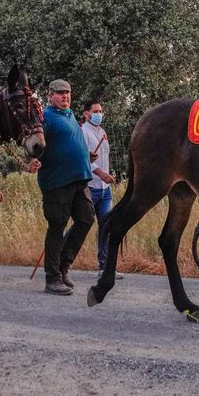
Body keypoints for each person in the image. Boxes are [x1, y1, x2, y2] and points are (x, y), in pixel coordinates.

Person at [28, 78, 94, 295]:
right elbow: (31, 142)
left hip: (79, 179)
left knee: (86, 219)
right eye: (60, 93)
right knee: (57, 226)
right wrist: (31, 159)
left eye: (67, 92)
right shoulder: (45, 117)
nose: (65, 96)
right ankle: (52, 278)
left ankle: (63, 266)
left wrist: (85, 154)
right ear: (51, 96)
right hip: (57, 182)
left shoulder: (70, 115)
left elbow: (70, 141)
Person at [82, 100, 121, 276]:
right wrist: (101, 173)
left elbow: (104, 157)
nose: (99, 114)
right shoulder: (83, 132)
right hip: (90, 186)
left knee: (106, 225)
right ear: (86, 114)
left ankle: (105, 267)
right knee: (81, 224)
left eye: (100, 111)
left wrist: (107, 175)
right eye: (95, 111)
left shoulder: (103, 132)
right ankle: (60, 256)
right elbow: (84, 160)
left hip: (105, 189)